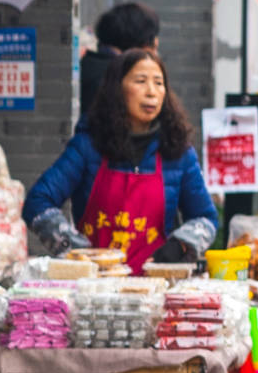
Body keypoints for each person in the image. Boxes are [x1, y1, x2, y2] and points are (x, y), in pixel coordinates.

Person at [25, 47, 215, 269]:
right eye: (141, 81)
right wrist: (77, 250)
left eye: (158, 82)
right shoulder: (88, 146)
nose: (151, 91)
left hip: (156, 287)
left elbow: (205, 218)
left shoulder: (179, 152)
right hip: (95, 287)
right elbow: (37, 202)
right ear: (117, 88)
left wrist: (181, 244)